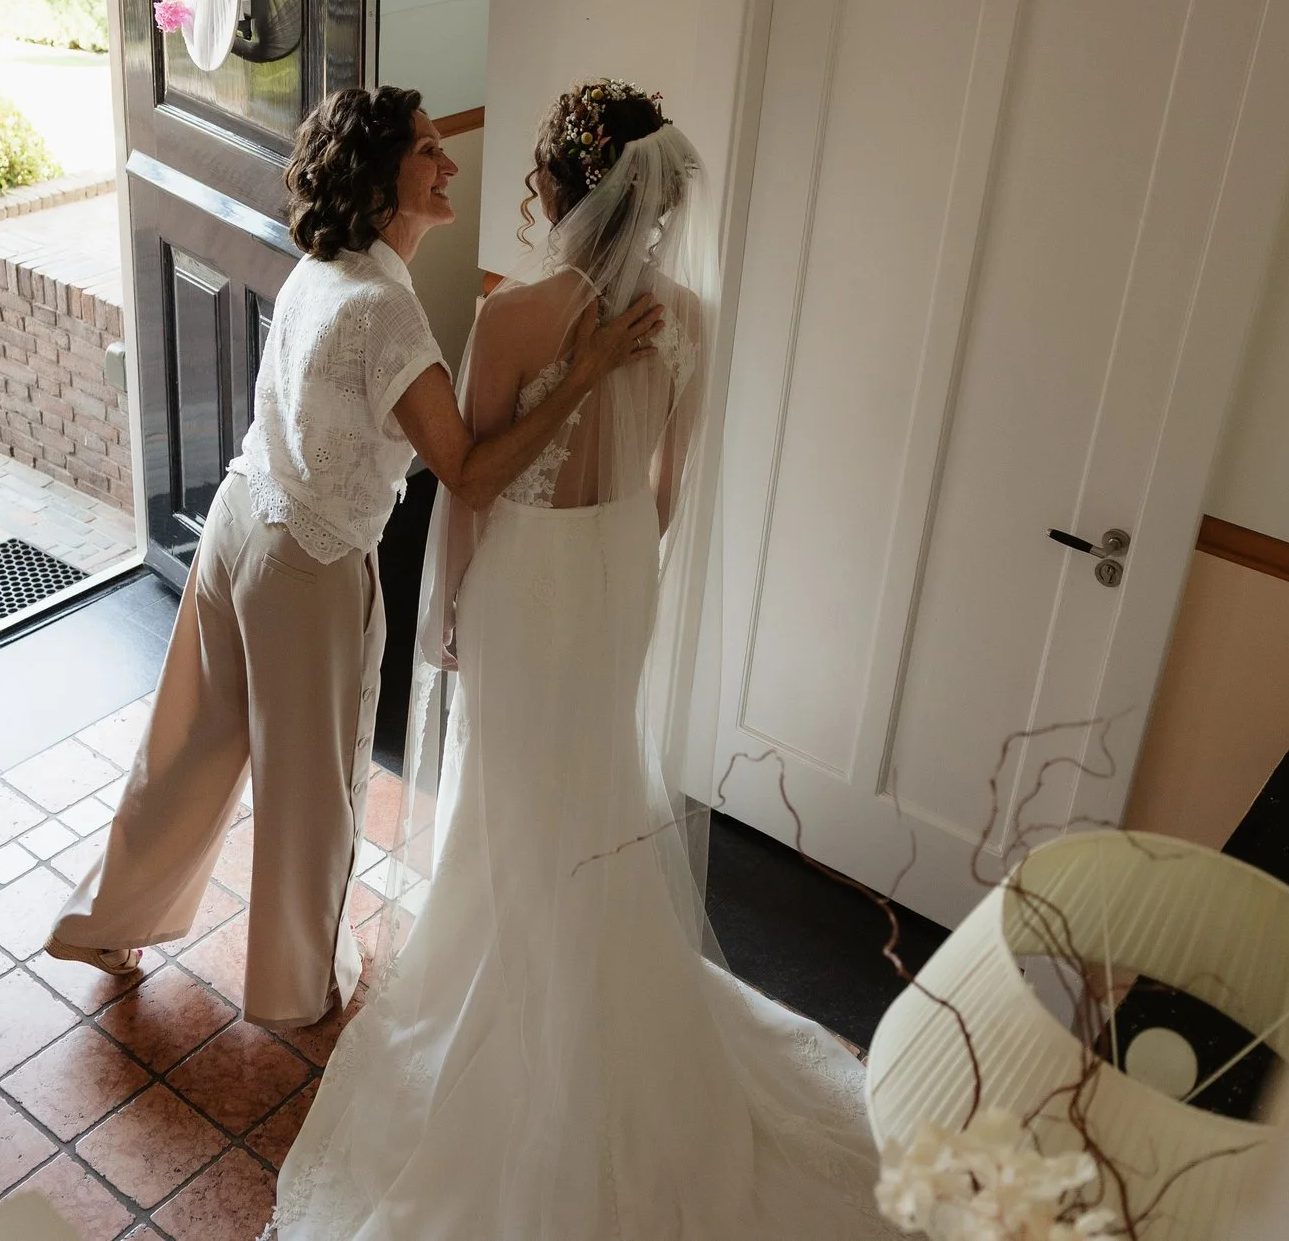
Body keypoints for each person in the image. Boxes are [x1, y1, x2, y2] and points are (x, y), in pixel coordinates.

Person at [271, 82, 889, 1237]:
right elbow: (666, 494)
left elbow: (471, 486)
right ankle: (594, 981)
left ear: (562, 189)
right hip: (616, 574)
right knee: (597, 783)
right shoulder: (691, 315)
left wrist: (454, 602)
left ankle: (526, 995)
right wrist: (617, 568)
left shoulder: (513, 315)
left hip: (529, 575)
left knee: (514, 796)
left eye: (534, 181)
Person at [46, 84, 665, 1031]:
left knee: (187, 748)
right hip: (308, 567)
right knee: (317, 792)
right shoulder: (388, 314)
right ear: (383, 182)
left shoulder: (323, 266)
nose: (447, 159)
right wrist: (582, 374)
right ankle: (297, 992)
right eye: (426, 150)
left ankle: (102, 919)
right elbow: (467, 471)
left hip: (238, 524)